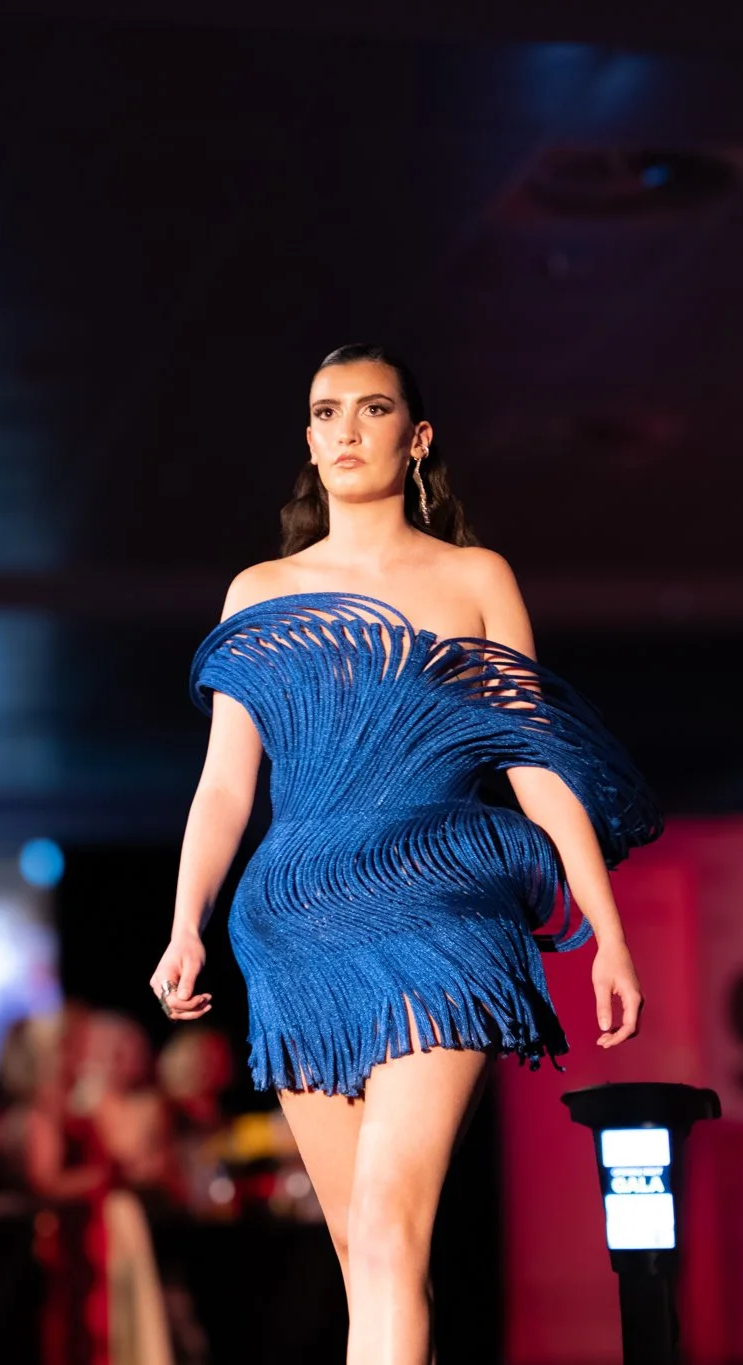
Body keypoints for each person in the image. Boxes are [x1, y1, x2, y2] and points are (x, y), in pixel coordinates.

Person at [149, 344, 663, 1363]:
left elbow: (536, 763)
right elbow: (224, 784)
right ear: (306, 438)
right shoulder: (258, 590)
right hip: (293, 927)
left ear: (415, 438)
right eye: (323, 412)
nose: (343, 430)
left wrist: (604, 929)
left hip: (441, 914)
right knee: (360, 1249)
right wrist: (183, 927)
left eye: (370, 409)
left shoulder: (474, 580)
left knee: (386, 1234)